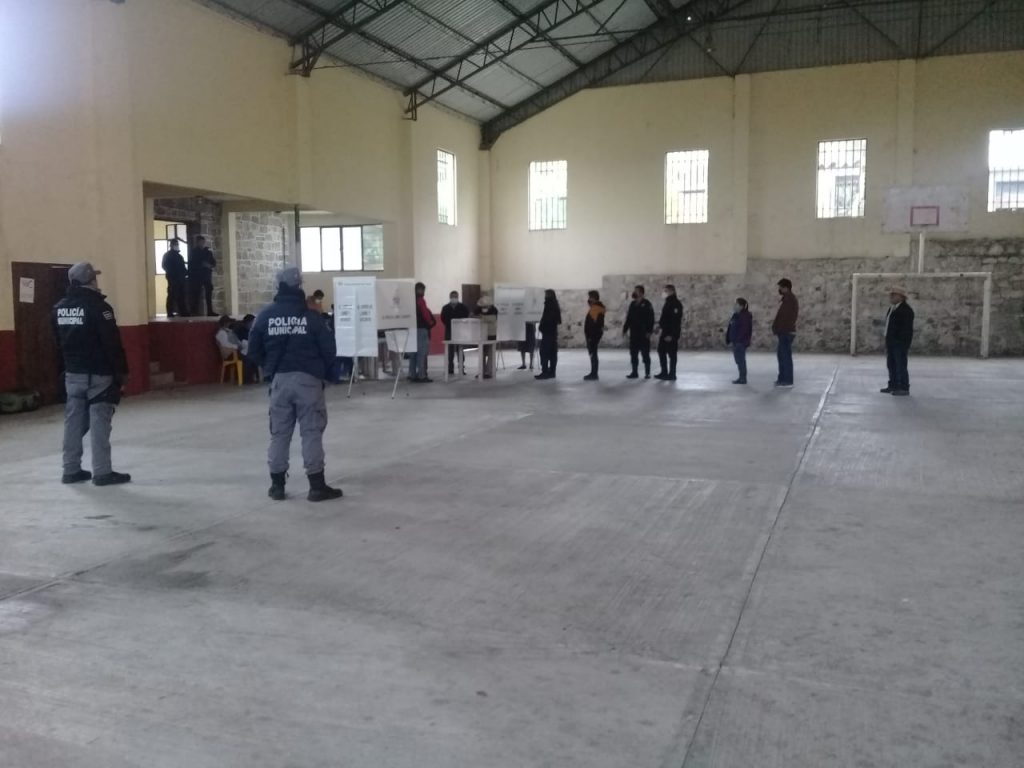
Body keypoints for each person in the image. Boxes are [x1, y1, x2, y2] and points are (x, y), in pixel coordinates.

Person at [247, 267, 342, 503]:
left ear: (278, 286)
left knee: (279, 434)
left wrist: (271, 368)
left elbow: (253, 351)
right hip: (309, 380)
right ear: (299, 286)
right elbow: (329, 349)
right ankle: (316, 487)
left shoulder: (265, 316)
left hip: (279, 381)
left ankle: (277, 486)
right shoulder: (312, 317)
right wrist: (328, 375)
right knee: (311, 432)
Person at [52, 262, 131, 486]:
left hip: (73, 374)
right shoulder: (100, 308)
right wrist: (121, 373)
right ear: (91, 280)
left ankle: (71, 469)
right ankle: (102, 472)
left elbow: (57, 343)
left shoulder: (59, 308)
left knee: (73, 422)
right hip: (99, 375)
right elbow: (112, 344)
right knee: (99, 422)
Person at [882, 287, 914, 397]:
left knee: (900, 365)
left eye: (893, 295)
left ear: (901, 297)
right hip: (891, 342)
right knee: (891, 364)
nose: (891, 297)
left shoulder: (906, 310)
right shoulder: (892, 308)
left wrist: (901, 342)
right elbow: (888, 325)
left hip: (899, 343)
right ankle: (893, 385)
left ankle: (903, 387)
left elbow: (906, 329)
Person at [623, 285, 655, 379]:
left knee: (645, 353)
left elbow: (651, 319)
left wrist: (649, 331)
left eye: (636, 291)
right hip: (634, 333)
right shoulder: (632, 304)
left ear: (641, 292)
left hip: (644, 333)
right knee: (633, 353)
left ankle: (647, 373)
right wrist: (625, 329)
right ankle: (634, 372)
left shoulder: (647, 304)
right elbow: (629, 318)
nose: (634, 292)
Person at [771, 278, 799, 387]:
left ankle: (787, 380)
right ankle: (782, 379)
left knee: (785, 357)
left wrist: (778, 328)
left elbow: (785, 317)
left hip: (786, 332)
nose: (779, 289)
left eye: (780, 287)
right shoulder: (787, 299)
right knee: (781, 356)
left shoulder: (790, 300)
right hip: (784, 331)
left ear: (786, 288)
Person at [215, 315, 257, 383]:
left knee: (251, 358)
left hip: (234, 351)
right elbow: (226, 344)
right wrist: (237, 346)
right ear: (225, 323)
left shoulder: (228, 331)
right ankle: (246, 379)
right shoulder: (221, 333)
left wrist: (239, 345)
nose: (229, 324)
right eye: (228, 322)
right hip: (229, 353)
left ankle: (249, 378)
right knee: (247, 359)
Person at [655, 284, 683, 381]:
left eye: (666, 291)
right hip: (665, 332)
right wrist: (659, 326)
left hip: (671, 333)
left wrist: (672, 335)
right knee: (661, 351)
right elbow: (664, 318)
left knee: (672, 354)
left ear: (672, 291)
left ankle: (672, 374)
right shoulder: (668, 302)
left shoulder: (676, 304)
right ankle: (664, 372)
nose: (664, 293)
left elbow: (675, 321)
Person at [412, 282, 436, 383]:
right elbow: (425, 314)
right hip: (421, 329)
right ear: (420, 290)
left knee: (413, 353)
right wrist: (430, 323)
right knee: (422, 353)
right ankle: (421, 375)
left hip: (412, 329)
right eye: (422, 290)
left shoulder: (410, 300)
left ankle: (412, 374)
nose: (423, 292)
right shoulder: (420, 300)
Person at [441, 290, 469, 376]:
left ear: (458, 297)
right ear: (450, 297)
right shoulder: (445, 308)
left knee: (460, 349)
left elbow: (466, 316)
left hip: (460, 331)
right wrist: (449, 324)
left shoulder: (462, 307)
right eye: (452, 296)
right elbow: (443, 318)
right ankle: (450, 368)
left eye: (455, 296)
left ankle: (461, 368)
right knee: (449, 350)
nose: (454, 298)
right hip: (449, 330)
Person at [726, 298, 753, 384]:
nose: (734, 306)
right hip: (736, 342)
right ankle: (741, 377)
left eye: (736, 304)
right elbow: (731, 326)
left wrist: (738, 340)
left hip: (740, 342)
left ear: (741, 306)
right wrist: (729, 339)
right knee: (738, 360)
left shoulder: (745, 316)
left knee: (741, 360)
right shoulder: (736, 315)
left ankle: (743, 378)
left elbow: (744, 330)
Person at [535, 289, 561, 380]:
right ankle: (552, 372)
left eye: (546, 294)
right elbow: (558, 320)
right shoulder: (555, 305)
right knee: (552, 353)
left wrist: (542, 327)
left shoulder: (549, 305)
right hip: (553, 333)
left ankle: (545, 372)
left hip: (548, 333)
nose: (544, 296)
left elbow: (547, 319)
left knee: (544, 352)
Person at [473, 292, 499, 379]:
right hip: (481, 334)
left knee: (491, 354)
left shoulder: (494, 309)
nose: (484, 308)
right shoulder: (478, 309)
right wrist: (480, 317)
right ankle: (482, 371)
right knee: (482, 354)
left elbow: (492, 319)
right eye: (483, 306)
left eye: (486, 306)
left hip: (492, 334)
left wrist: (481, 317)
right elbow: (473, 316)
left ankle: (489, 372)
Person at [189, 235, 217, 316]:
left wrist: (209, 265)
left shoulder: (208, 252)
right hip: (197, 276)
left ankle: (210, 311)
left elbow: (213, 263)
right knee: (196, 294)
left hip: (207, 276)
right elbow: (192, 264)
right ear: (197, 242)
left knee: (208, 294)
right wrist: (201, 265)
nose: (202, 243)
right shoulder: (194, 252)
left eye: (203, 242)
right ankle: (194, 311)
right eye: (200, 242)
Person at [161, 238, 189, 317]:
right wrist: (172, 274)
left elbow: (182, 267)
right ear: (172, 245)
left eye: (177, 244)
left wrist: (186, 273)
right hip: (173, 279)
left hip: (181, 279)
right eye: (176, 244)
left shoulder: (179, 256)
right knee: (172, 295)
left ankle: (183, 311)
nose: (177, 246)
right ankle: (170, 312)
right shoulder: (167, 255)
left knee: (181, 295)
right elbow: (165, 266)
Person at [583, 290, 605, 381]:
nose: (588, 299)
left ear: (594, 298)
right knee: (593, 353)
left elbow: (594, 324)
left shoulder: (596, 309)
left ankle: (594, 373)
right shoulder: (596, 308)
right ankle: (593, 372)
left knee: (593, 353)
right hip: (593, 335)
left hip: (593, 335)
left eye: (590, 297)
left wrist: (591, 336)